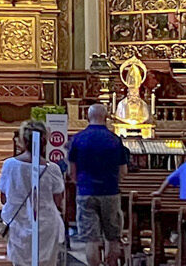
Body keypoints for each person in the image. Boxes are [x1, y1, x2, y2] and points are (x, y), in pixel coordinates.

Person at [66, 102, 130, 266]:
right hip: (110, 192)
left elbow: (71, 171)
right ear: (106, 117)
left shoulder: (78, 139)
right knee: (113, 236)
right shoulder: (114, 140)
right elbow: (123, 171)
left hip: (86, 191)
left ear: (88, 116)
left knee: (90, 239)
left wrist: (80, 184)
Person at [0, 120, 65, 266]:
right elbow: (58, 200)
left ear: (22, 140)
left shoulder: (9, 165)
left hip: (19, 223)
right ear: (45, 141)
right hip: (46, 223)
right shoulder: (53, 169)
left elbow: (4, 198)